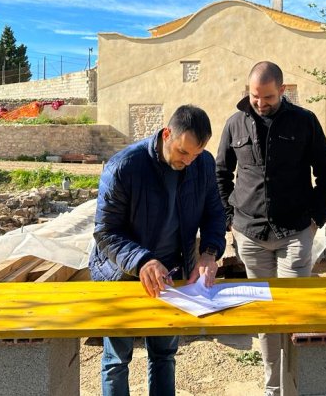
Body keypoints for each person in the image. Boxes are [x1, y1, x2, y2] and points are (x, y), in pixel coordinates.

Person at [215, 61, 326, 396]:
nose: (260, 103)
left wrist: (316, 219)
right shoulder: (235, 123)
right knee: (266, 316)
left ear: (282, 90)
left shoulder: (305, 121)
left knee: (293, 314)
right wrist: (230, 219)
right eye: (255, 96)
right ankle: (273, 389)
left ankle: (294, 388)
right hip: (250, 234)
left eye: (268, 97)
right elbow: (220, 174)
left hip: (295, 233)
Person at [88, 104, 227, 396]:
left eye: (195, 154)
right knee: (117, 360)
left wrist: (209, 252)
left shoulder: (203, 164)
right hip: (121, 273)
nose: (187, 161)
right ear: (166, 134)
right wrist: (142, 260)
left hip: (170, 275)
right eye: (182, 152)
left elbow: (214, 213)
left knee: (164, 355)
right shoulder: (124, 166)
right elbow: (106, 231)